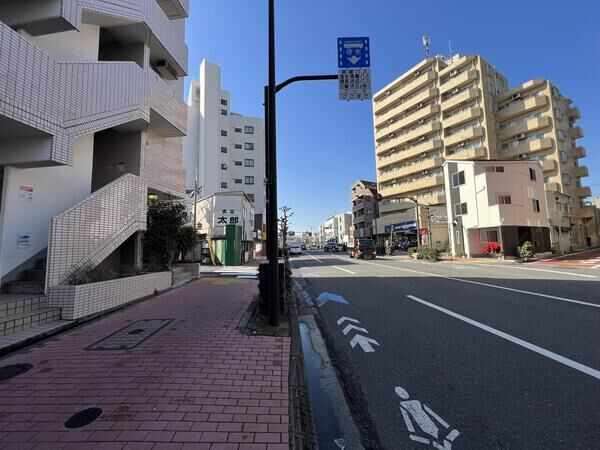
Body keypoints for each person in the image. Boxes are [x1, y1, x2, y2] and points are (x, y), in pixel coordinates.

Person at [395, 386, 460, 449]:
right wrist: (412, 431)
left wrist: (446, 425)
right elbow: (407, 418)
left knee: (438, 434)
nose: (404, 394)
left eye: (404, 391)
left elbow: (431, 413)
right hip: (422, 425)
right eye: (401, 393)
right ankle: (440, 442)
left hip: (430, 422)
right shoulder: (402, 404)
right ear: (399, 396)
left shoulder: (416, 401)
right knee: (429, 436)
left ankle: (440, 443)